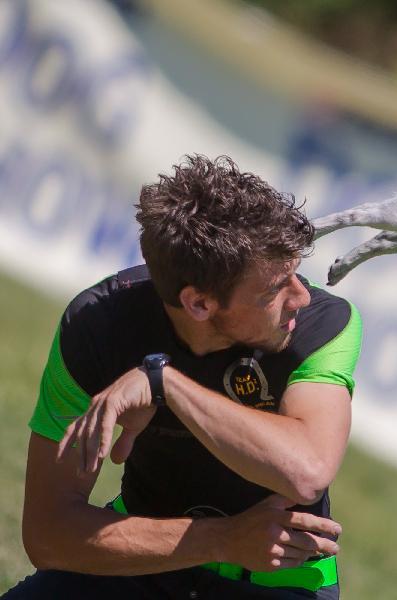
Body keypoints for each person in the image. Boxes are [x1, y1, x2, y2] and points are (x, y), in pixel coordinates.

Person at [3, 155, 361, 599]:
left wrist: (163, 383)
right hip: (141, 559)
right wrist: (224, 539)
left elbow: (306, 472)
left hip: (279, 581)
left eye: (296, 272)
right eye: (276, 288)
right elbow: (49, 535)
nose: (301, 297)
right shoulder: (97, 327)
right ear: (199, 304)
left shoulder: (325, 325)